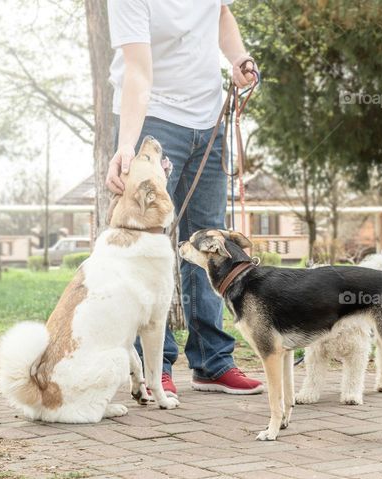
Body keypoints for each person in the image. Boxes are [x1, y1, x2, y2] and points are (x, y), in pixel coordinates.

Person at [105, 0, 263, 395]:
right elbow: (137, 73)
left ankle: (212, 362)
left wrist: (238, 57)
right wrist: (127, 148)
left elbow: (221, 14)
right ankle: (152, 366)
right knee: (148, 243)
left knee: (210, 243)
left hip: (209, 120)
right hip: (154, 118)